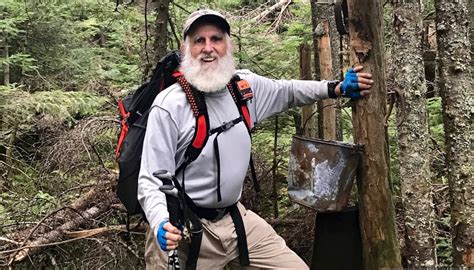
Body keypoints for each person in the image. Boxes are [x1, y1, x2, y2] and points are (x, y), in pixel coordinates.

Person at [137, 9, 373, 270]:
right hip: (182, 229)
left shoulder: (243, 89)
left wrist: (336, 88)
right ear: (185, 48)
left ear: (228, 45)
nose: (208, 48)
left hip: (235, 220)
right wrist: (160, 221)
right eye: (198, 41)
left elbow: (288, 91)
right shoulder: (170, 106)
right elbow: (151, 179)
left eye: (216, 39)